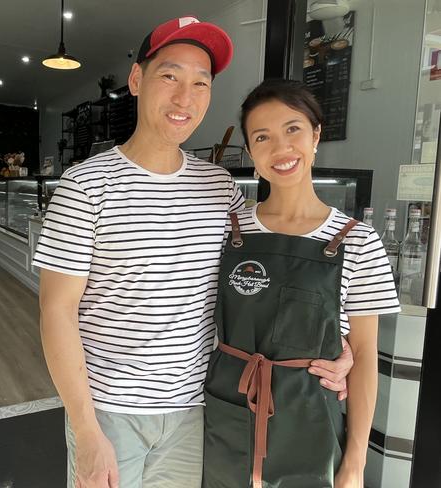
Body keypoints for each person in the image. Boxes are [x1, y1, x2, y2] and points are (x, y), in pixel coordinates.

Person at [34, 18, 353, 488]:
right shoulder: (85, 186)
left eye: (200, 83)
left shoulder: (220, 187)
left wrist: (333, 351)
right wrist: (85, 429)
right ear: (138, 80)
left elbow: (258, 286)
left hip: (196, 410)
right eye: (170, 76)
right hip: (109, 413)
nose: (185, 97)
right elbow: (56, 312)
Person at [202, 79, 401, 488]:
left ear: (316, 135)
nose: (280, 148)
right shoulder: (227, 230)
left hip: (312, 423)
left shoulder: (359, 242)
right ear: (252, 152)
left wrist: (355, 464)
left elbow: (363, 356)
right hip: (225, 417)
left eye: (293, 129)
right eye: (262, 137)